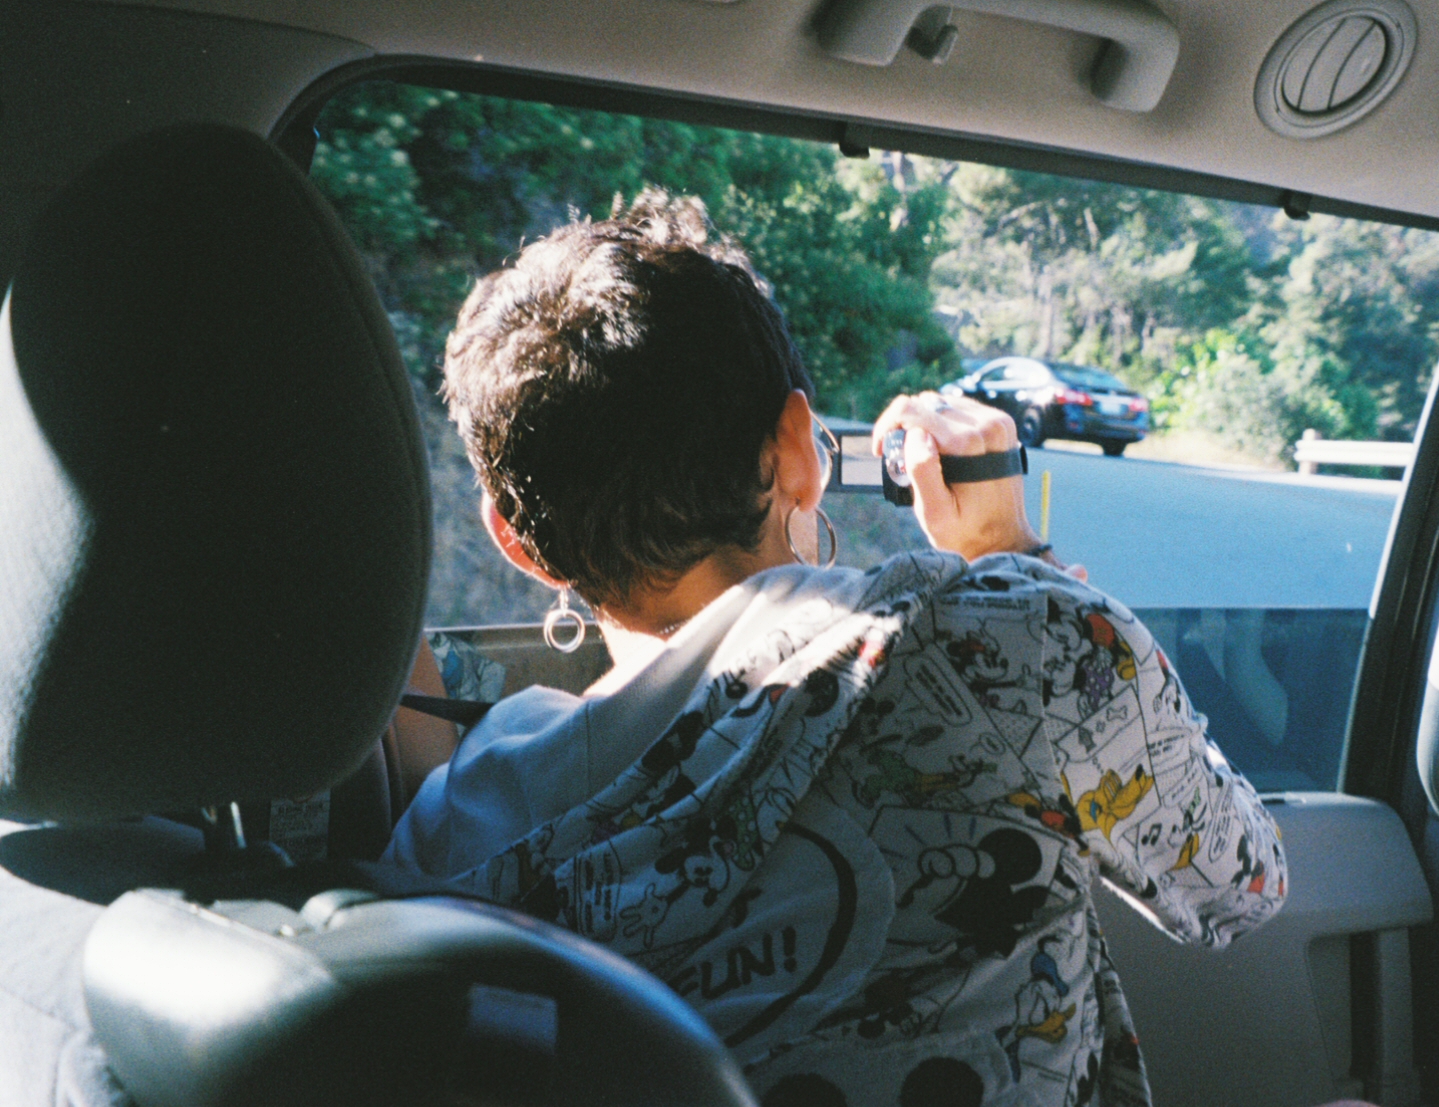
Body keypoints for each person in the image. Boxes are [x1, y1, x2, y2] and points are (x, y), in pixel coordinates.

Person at [383, 190, 1288, 1107]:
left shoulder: (449, 832)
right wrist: (1014, 556)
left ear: (517, 542)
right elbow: (1239, 886)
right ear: (798, 449)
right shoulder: (1007, 641)